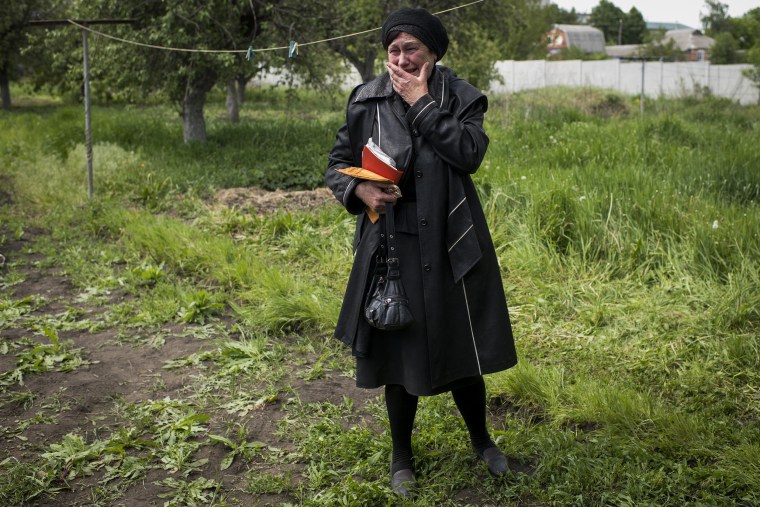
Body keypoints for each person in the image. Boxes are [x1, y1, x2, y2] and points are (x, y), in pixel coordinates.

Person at [325, 7, 517, 498]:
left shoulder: (461, 96)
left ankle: (483, 442)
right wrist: (359, 193)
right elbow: (338, 164)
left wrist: (421, 102)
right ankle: (401, 457)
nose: (402, 58)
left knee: (462, 345)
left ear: (432, 53)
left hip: (452, 239)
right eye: (394, 49)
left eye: (412, 49)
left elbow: (469, 154)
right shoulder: (365, 100)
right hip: (392, 241)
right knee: (397, 350)